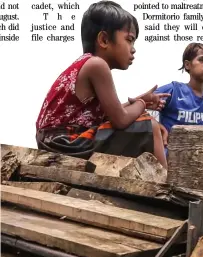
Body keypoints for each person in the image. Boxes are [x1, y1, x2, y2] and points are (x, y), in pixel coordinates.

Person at [35, 1, 170, 168]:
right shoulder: (97, 65)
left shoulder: (88, 64)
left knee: (145, 122)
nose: (133, 49)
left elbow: (111, 114)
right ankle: (167, 183)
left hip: (57, 140)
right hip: (65, 142)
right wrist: (142, 104)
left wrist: (137, 101)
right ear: (104, 39)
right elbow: (120, 119)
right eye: (129, 40)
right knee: (150, 125)